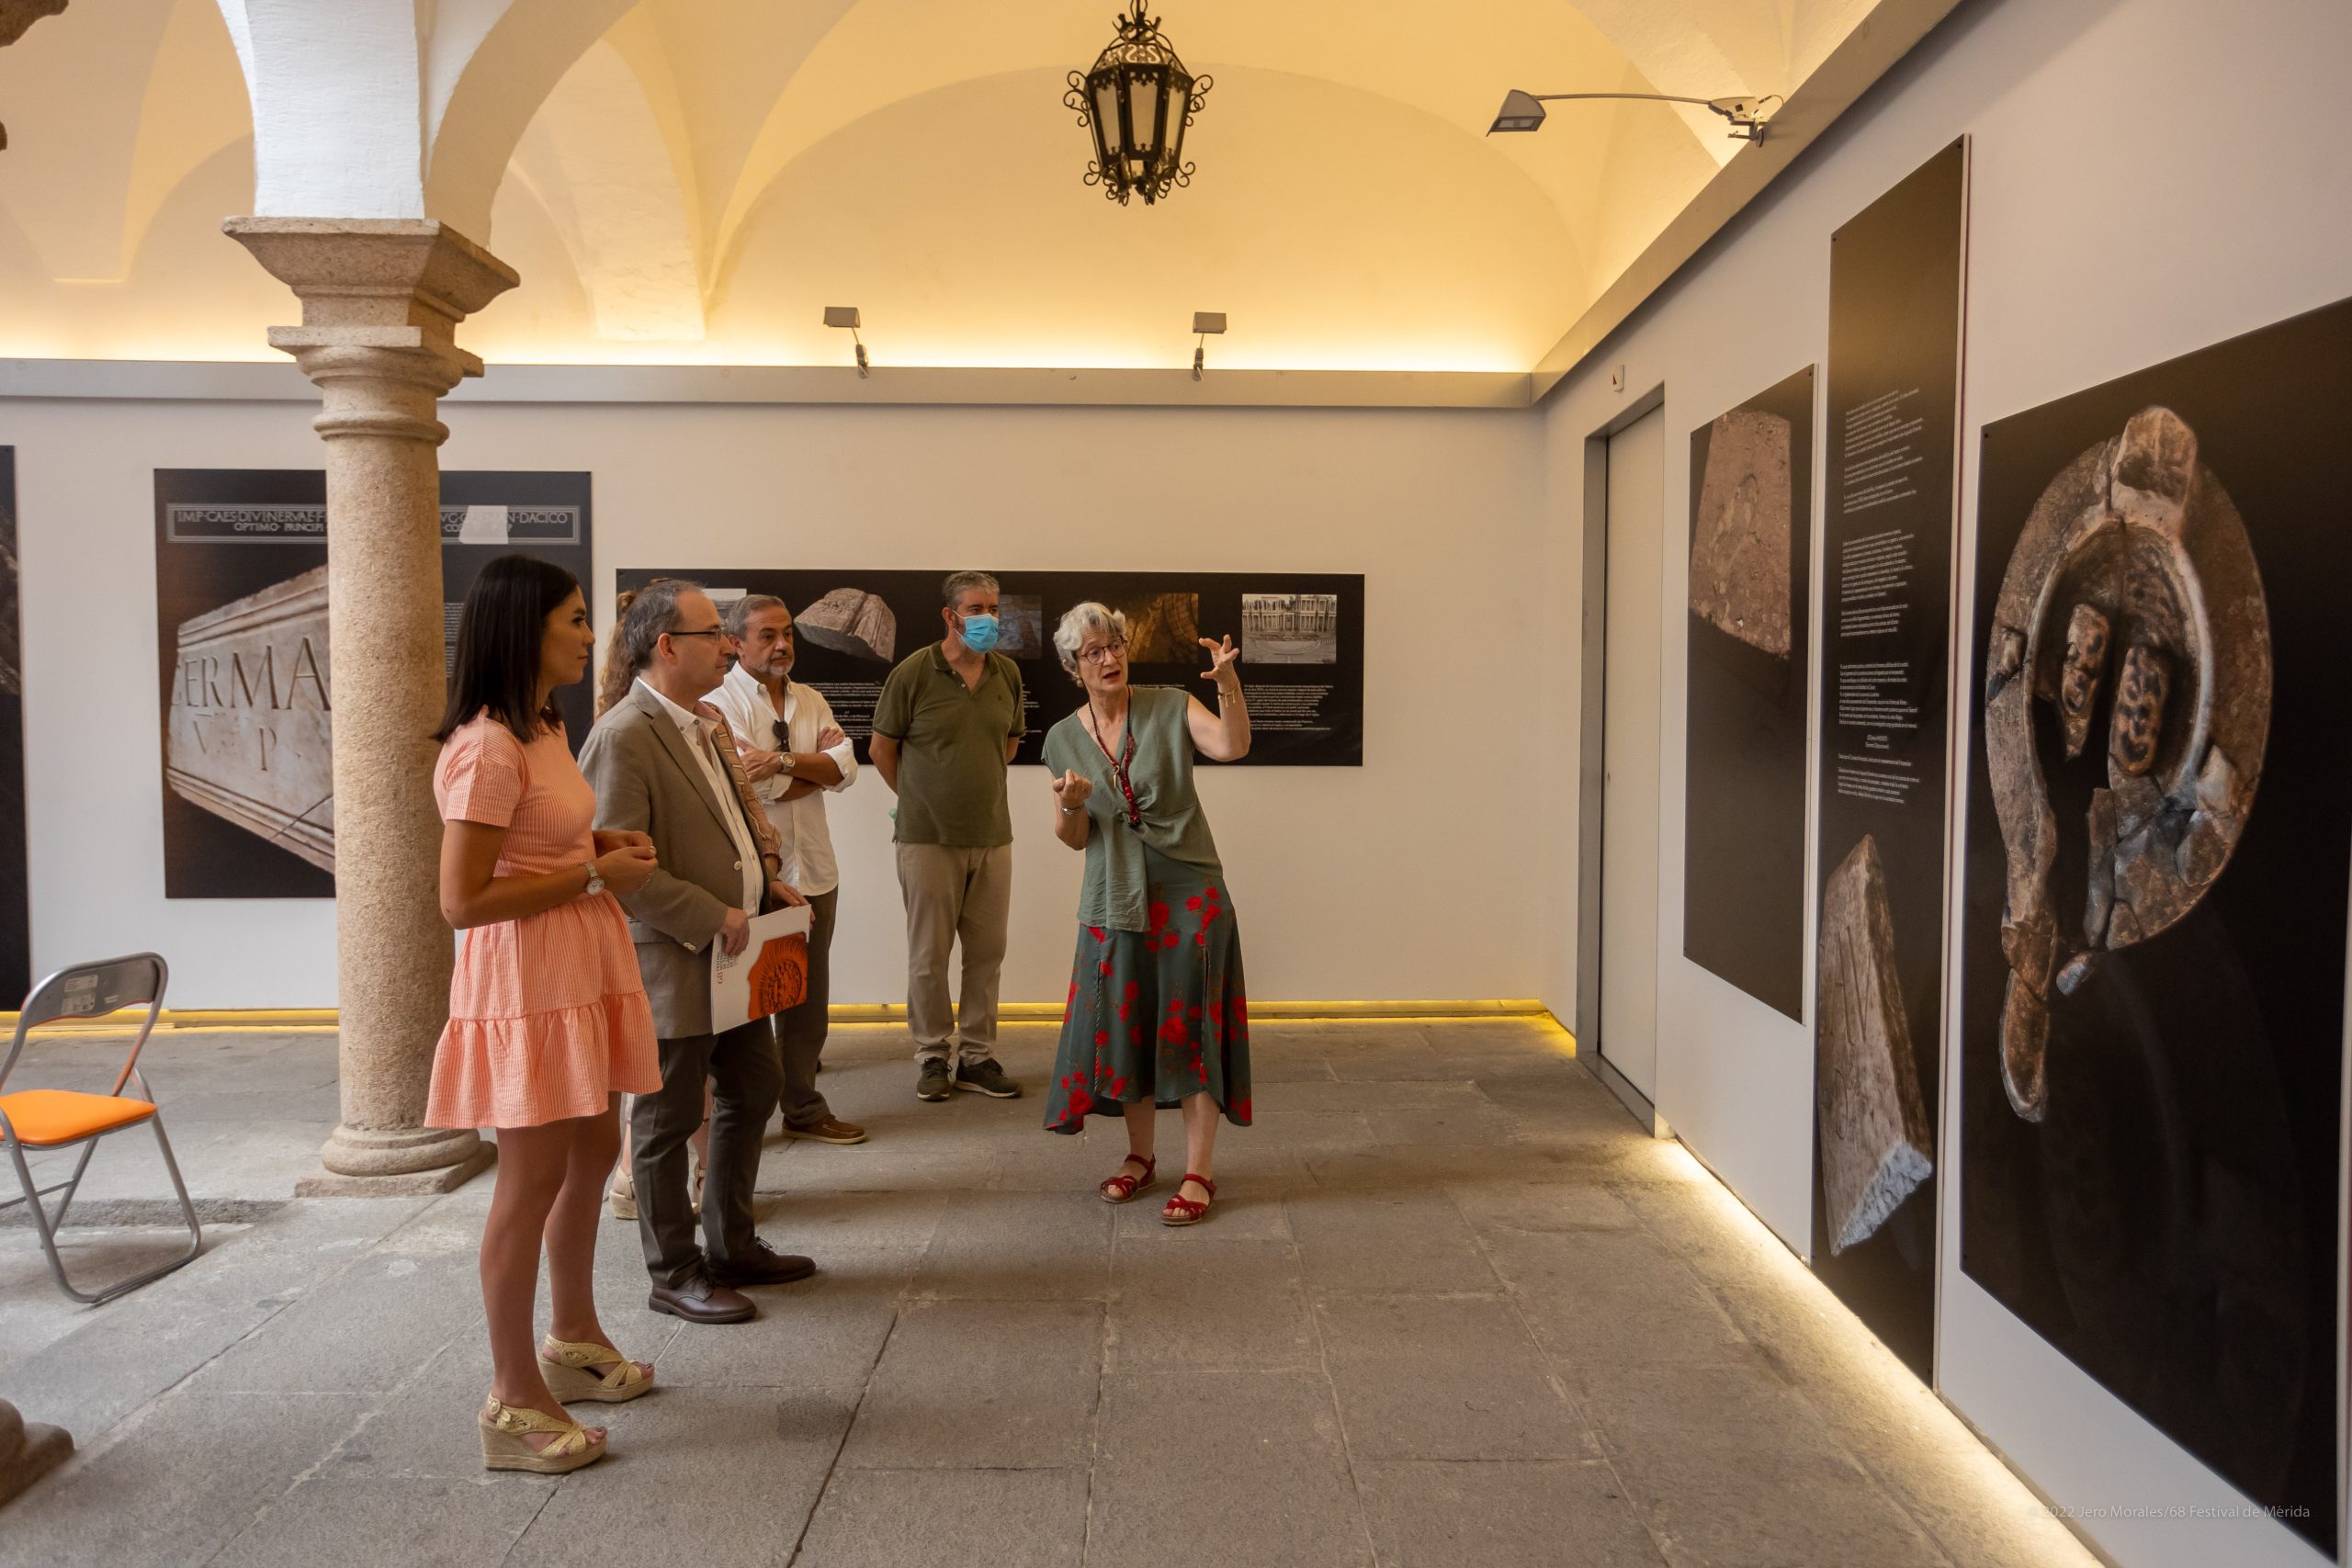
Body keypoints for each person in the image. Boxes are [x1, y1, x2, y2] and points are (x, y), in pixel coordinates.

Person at [425, 554, 662, 1474]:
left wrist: (595, 843)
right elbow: (463, 899)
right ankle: (512, 1397)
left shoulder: (548, 724)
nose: (590, 635)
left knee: (595, 1147)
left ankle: (572, 1336)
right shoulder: (486, 745)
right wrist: (596, 871)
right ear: (524, 629)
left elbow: (536, 842)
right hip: (527, 976)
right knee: (528, 1182)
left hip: (574, 957)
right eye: (574, 619)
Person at [578, 580, 813, 1326]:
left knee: (755, 1083)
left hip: (731, 956)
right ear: (666, 646)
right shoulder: (624, 734)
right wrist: (712, 913)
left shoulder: (704, 722)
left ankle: (732, 1245)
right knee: (666, 1116)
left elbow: (733, 825)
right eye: (713, 633)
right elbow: (619, 871)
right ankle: (674, 1270)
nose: (728, 646)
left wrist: (765, 887)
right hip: (674, 957)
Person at [1039, 602, 1252, 1226]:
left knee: (1191, 1028)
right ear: (1073, 665)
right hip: (1114, 895)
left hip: (1189, 891)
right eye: (1094, 652)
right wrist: (1071, 804)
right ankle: (1140, 1157)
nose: (1109, 658)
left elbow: (1232, 745)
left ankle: (1199, 1170)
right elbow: (1074, 837)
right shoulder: (1060, 739)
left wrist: (1228, 684)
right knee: (1128, 1028)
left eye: (1116, 646)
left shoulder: (1171, 704)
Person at [707, 593, 865, 1145]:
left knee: (807, 1000)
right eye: (768, 635)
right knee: (745, 1001)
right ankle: (740, 1119)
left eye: (788, 634)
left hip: (814, 870)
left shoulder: (811, 699)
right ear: (735, 643)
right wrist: (812, 769)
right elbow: (744, 784)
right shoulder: (718, 703)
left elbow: (847, 770)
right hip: (754, 875)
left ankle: (802, 1106)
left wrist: (781, 761)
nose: (782, 645)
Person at [870, 570, 1027, 1103]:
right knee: (928, 956)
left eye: (994, 608)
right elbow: (881, 750)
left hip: (992, 835)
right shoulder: (914, 671)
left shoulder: (1006, 673)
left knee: (987, 954)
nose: (988, 618)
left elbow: (1008, 744)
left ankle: (977, 1058)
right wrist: (920, 799)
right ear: (950, 615)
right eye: (976, 608)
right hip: (927, 839)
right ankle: (933, 1055)